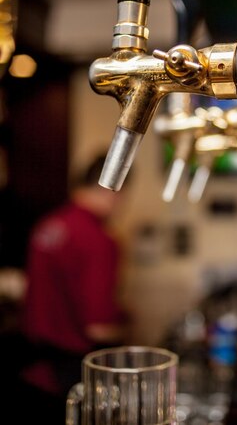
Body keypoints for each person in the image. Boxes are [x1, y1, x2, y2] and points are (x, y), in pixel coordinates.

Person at [15, 154, 131, 423]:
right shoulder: (98, 240)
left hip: (32, 368)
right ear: (116, 188)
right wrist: (128, 323)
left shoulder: (48, 224)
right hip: (72, 378)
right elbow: (98, 327)